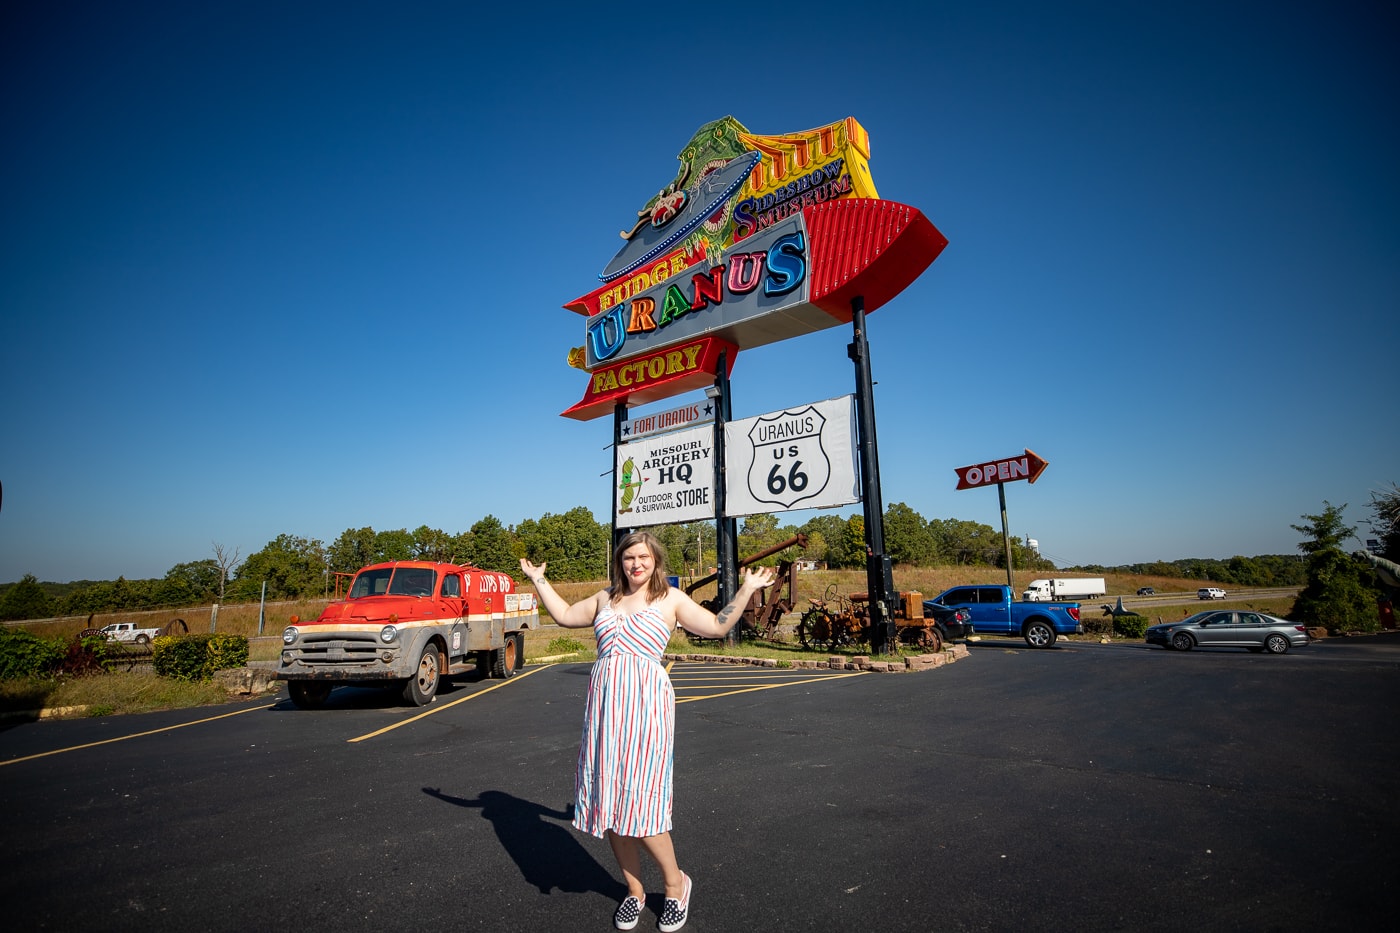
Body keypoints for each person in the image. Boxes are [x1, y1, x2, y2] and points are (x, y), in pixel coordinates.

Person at [521, 531, 776, 932]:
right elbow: (566, 615)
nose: (635, 564)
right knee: (611, 805)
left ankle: (676, 885)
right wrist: (539, 580)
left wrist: (745, 588)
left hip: (646, 710)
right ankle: (635, 892)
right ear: (620, 562)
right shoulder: (606, 598)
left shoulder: (670, 600)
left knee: (643, 807)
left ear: (655, 561)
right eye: (628, 558)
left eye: (643, 557)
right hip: (605, 713)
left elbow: (715, 626)